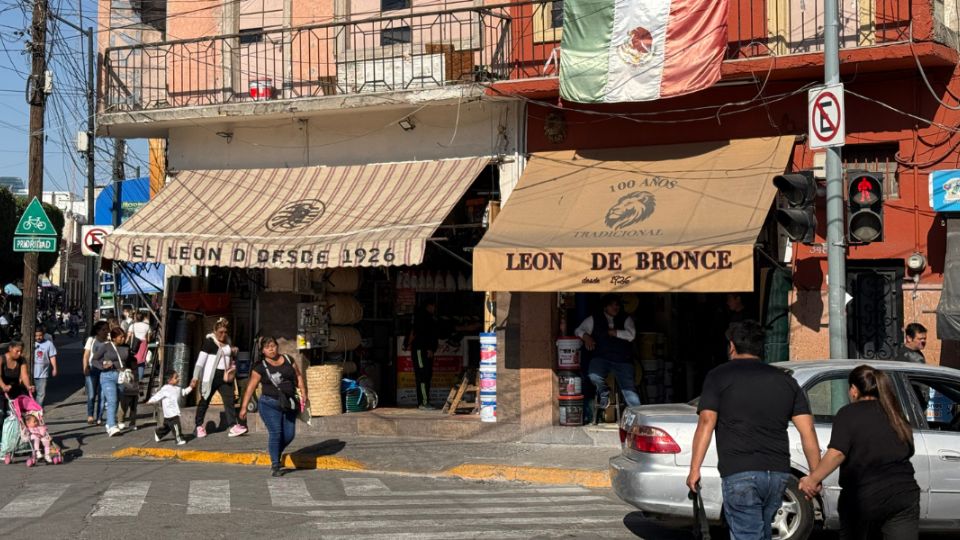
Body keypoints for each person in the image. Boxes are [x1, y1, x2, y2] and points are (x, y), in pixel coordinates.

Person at [686, 321, 822, 540]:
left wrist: (694, 469)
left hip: (740, 471)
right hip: (777, 474)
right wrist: (816, 475)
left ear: (732, 346)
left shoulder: (718, 376)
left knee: (748, 534)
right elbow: (808, 433)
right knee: (761, 533)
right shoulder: (786, 381)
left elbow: (706, 422)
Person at [799, 365, 920, 539]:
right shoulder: (895, 414)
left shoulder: (848, 413)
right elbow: (909, 449)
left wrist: (813, 480)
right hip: (903, 494)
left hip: (864, 495)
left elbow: (837, 453)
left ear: (854, 390)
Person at [239, 337, 308, 477]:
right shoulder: (260, 366)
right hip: (269, 404)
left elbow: (298, 376)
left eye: (273, 346)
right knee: (276, 433)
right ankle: (275, 465)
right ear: (263, 351)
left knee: (289, 435)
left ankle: (275, 452)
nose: (271, 349)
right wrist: (244, 407)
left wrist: (303, 392)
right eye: (267, 347)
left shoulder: (288, 360)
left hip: (289, 403)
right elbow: (251, 387)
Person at [575, 294, 640, 408]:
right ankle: (604, 392)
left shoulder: (625, 318)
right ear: (605, 307)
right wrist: (586, 336)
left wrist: (614, 332)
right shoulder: (594, 318)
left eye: (617, 305)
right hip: (602, 358)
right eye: (612, 305)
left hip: (623, 360)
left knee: (630, 392)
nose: (616, 308)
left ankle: (639, 417)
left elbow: (631, 335)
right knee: (593, 375)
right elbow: (578, 330)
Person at [191, 318, 246, 438]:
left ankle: (233, 426)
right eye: (220, 332)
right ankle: (198, 426)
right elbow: (200, 362)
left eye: (225, 332)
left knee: (229, 400)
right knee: (205, 401)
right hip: (211, 377)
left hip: (225, 376)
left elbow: (228, 356)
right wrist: (195, 377)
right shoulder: (209, 343)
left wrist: (233, 351)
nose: (223, 334)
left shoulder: (228, 342)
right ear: (214, 331)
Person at [92, 327, 128, 437]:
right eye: (121, 337)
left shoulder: (126, 347)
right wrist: (102, 366)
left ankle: (109, 423)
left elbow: (129, 360)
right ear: (113, 338)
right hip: (107, 376)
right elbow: (94, 359)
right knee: (112, 400)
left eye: (124, 337)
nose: (123, 339)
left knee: (118, 401)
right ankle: (112, 426)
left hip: (121, 376)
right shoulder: (105, 347)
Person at [406, 300, 439, 410]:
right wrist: (429, 348)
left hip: (425, 351)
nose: (434, 308)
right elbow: (415, 332)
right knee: (423, 376)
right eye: (433, 305)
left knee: (426, 376)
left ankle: (425, 401)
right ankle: (423, 403)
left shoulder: (427, 317)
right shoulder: (423, 317)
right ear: (429, 305)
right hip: (421, 350)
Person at [148, 371, 196, 446]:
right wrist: (150, 401)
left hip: (172, 413)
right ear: (169, 380)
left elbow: (184, 392)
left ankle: (158, 433)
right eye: (176, 378)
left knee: (168, 427)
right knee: (176, 426)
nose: (178, 379)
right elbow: (158, 395)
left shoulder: (178, 388)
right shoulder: (165, 388)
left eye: (178, 377)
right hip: (171, 413)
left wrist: (191, 387)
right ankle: (178, 439)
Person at [82, 321, 109, 425]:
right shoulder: (91, 340)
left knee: (102, 395)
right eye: (104, 330)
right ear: (97, 331)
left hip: (104, 370)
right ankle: (90, 415)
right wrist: (85, 368)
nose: (106, 332)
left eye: (107, 329)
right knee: (92, 394)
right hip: (92, 369)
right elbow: (86, 355)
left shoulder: (109, 341)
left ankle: (99, 416)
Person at [1, 341, 33, 419]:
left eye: (21, 351)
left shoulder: (21, 360)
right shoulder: (2, 359)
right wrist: (4, 386)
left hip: (14, 389)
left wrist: (28, 386)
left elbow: (24, 375)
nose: (19, 354)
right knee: (2, 413)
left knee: (16, 413)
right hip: (2, 389)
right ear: (10, 348)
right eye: (17, 351)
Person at [32, 329, 58, 407]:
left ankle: (37, 409)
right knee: (31, 393)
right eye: (36, 336)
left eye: (40, 335)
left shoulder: (49, 344)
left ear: (43, 335)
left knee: (41, 393)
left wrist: (54, 368)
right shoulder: (31, 343)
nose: (38, 337)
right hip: (31, 372)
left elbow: (52, 356)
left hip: (43, 372)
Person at [127, 312, 152, 379]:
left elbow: (128, 336)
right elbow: (148, 339)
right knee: (141, 361)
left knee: (133, 360)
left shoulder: (132, 326)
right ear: (143, 318)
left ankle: (133, 376)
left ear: (135, 318)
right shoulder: (147, 326)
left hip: (134, 343)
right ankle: (140, 378)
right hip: (143, 344)